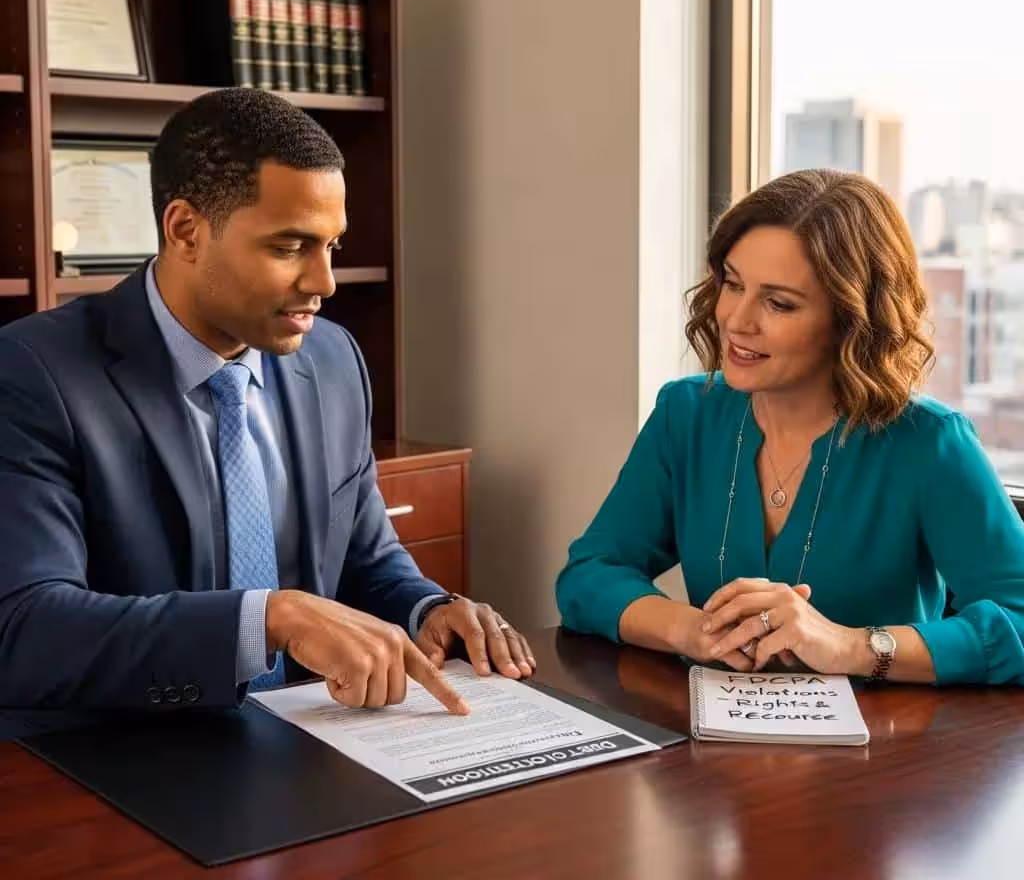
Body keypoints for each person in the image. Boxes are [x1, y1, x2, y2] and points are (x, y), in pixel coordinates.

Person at [0, 87, 534, 735]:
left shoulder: (333, 359)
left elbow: (365, 560)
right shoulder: (32, 372)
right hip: (121, 759)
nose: (323, 283)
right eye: (289, 247)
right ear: (185, 230)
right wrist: (268, 619)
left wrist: (427, 609)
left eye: (331, 246)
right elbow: (24, 628)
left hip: (315, 740)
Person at [556, 168, 1024, 685]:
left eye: (778, 303)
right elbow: (590, 574)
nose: (737, 320)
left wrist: (850, 646)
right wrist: (691, 631)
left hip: (890, 733)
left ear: (851, 319)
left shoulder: (930, 442)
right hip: (711, 729)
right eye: (733, 284)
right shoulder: (685, 414)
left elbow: (1020, 619)